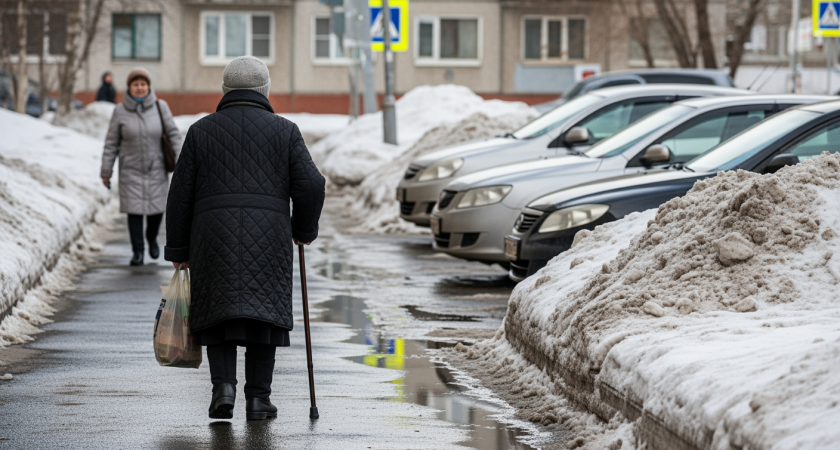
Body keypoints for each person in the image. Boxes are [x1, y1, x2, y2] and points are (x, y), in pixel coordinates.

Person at [164, 56, 325, 420]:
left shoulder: (201, 130)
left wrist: (178, 248)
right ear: (264, 90)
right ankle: (258, 398)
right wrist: (303, 230)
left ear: (225, 91)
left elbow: (180, 193)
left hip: (212, 239)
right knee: (262, 317)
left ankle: (223, 390)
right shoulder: (285, 130)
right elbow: (312, 185)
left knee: (218, 315)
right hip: (268, 238)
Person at [101, 68, 182, 266]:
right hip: (131, 169)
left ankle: (152, 238)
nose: (140, 88)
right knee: (134, 212)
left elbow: (174, 135)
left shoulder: (160, 107)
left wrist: (182, 163)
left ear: (148, 86)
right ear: (129, 87)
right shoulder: (119, 111)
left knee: (156, 210)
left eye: (143, 84)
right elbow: (111, 143)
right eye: (135, 84)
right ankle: (137, 252)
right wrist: (106, 171)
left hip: (156, 167)